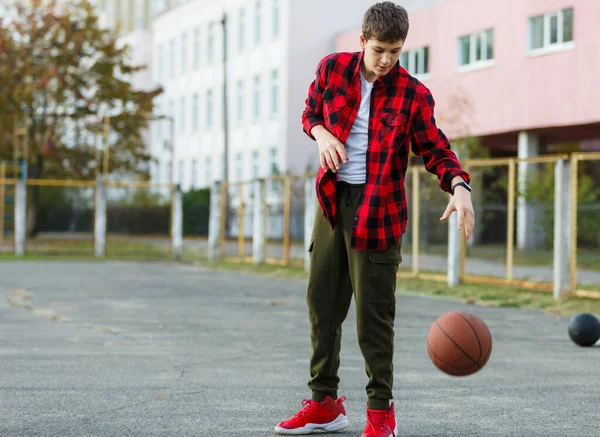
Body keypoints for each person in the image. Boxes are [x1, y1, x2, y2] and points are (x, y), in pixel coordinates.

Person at [274, 2, 475, 436]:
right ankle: (324, 403)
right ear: (362, 41)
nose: (386, 61)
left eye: (396, 52)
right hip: (331, 205)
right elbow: (309, 114)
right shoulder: (331, 70)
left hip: (379, 210)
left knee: (373, 316)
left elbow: (436, 148)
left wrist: (460, 187)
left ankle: (381, 413)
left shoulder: (413, 94)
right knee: (322, 306)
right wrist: (323, 133)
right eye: (380, 49)